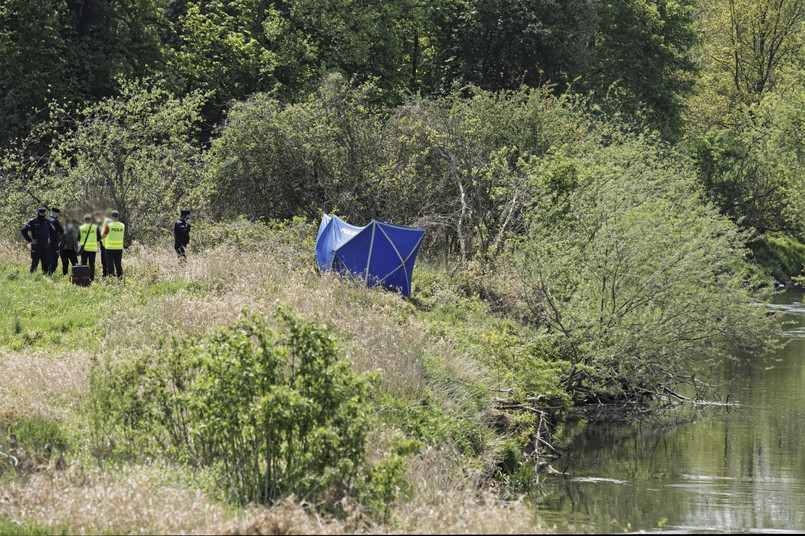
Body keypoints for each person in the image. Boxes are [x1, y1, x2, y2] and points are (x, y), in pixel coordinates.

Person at [21, 207, 55, 273]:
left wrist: (50, 238)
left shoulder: (47, 221)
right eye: (41, 213)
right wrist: (30, 240)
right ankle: (33, 278)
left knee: (46, 264)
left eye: (43, 213)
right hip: (36, 246)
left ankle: (45, 278)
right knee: (34, 264)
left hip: (45, 246)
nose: (42, 214)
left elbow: (53, 231)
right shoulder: (33, 221)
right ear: (38, 213)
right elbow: (23, 230)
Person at [101, 210, 125, 278]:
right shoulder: (122, 225)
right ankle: (120, 278)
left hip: (109, 248)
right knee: (118, 264)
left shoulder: (109, 226)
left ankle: (111, 279)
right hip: (119, 248)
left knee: (110, 265)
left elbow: (104, 235)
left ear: (111, 217)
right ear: (118, 216)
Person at [78, 214, 99, 280]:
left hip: (83, 249)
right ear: (91, 220)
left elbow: (78, 238)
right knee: (92, 264)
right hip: (92, 249)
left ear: (84, 220)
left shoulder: (81, 228)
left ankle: (84, 277)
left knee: (83, 264)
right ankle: (92, 277)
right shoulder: (95, 227)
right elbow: (99, 238)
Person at [47, 207, 64, 275]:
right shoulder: (55, 221)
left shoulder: (46, 220)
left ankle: (46, 273)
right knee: (54, 260)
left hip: (45, 244)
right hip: (54, 243)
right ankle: (50, 274)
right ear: (56, 214)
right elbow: (62, 232)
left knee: (47, 259)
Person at [93, 210, 109, 277]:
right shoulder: (101, 223)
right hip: (103, 243)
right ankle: (105, 272)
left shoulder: (107, 221)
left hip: (108, 244)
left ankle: (107, 273)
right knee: (103, 259)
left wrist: (97, 238)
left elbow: (105, 233)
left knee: (107, 260)